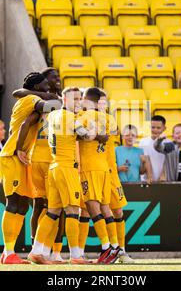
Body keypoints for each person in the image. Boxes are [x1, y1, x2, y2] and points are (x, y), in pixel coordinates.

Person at [28, 87, 97, 265]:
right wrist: (93, 125)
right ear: (65, 100)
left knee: (52, 212)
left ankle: (37, 251)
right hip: (67, 168)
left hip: (54, 166)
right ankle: (76, 255)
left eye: (79, 99)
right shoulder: (70, 117)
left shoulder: (53, 116)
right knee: (74, 211)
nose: (79, 102)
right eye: (75, 99)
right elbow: (87, 136)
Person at [0, 72, 59, 265]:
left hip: (23, 155)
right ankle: (8, 252)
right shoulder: (30, 99)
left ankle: (9, 252)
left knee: (23, 205)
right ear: (36, 87)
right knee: (14, 203)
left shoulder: (29, 97)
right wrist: (54, 98)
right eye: (44, 85)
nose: (47, 87)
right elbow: (51, 106)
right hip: (13, 154)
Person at [12, 67, 65, 263]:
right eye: (53, 77)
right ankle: (40, 248)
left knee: (56, 207)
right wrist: (19, 148)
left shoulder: (59, 100)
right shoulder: (42, 102)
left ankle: (52, 251)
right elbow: (19, 96)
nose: (57, 79)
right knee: (45, 205)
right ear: (43, 82)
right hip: (45, 158)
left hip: (56, 158)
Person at [76, 87, 120, 264]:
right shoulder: (109, 118)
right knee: (105, 206)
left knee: (91, 206)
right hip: (103, 167)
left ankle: (106, 247)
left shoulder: (82, 118)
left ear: (87, 100)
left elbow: (75, 136)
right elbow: (111, 135)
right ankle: (115, 246)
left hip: (89, 167)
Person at [98, 90, 134, 263]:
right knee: (86, 212)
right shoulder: (86, 120)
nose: (104, 106)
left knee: (118, 210)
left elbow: (115, 132)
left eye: (106, 103)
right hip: (94, 171)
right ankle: (78, 253)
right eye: (101, 102)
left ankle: (121, 251)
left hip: (111, 173)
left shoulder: (110, 121)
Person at [138, 115, 171, 182]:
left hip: (164, 181)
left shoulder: (168, 143)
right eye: (153, 127)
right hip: (146, 181)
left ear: (164, 128)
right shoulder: (143, 142)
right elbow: (141, 162)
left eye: (158, 128)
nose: (155, 130)